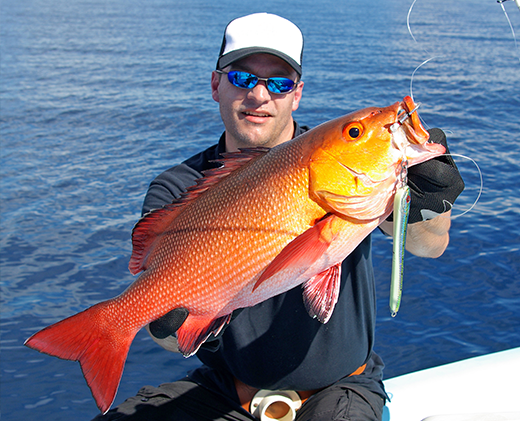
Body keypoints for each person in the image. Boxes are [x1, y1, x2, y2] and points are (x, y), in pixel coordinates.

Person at [93, 13, 464, 421]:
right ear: (216, 84)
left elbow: (430, 244)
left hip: (340, 389)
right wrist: (158, 323)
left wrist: (429, 198)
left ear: (297, 94)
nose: (260, 95)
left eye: (280, 82)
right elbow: (168, 338)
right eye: (243, 78)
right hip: (224, 391)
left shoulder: (353, 181)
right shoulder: (178, 188)